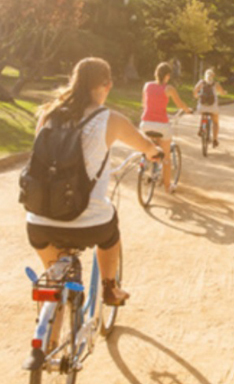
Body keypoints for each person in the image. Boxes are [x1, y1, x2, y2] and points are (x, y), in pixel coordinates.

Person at [27, 57, 163, 306]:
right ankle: (110, 288)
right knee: (111, 230)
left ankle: (49, 340)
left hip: (39, 220)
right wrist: (154, 152)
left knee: (56, 286)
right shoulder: (109, 119)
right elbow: (145, 146)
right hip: (88, 223)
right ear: (106, 85)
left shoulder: (48, 114)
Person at [141, 62, 192, 192]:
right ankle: (168, 187)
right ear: (168, 76)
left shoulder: (147, 85)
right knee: (167, 157)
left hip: (146, 123)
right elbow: (180, 104)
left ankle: (146, 167)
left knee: (151, 147)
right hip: (162, 125)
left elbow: (144, 104)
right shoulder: (169, 89)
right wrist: (187, 110)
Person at [193, 69, 227, 148]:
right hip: (213, 107)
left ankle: (201, 127)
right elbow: (222, 93)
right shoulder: (216, 84)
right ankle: (215, 139)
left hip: (202, 106)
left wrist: (196, 95)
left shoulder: (201, 82)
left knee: (203, 112)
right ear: (213, 76)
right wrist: (224, 93)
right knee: (215, 122)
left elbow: (195, 90)